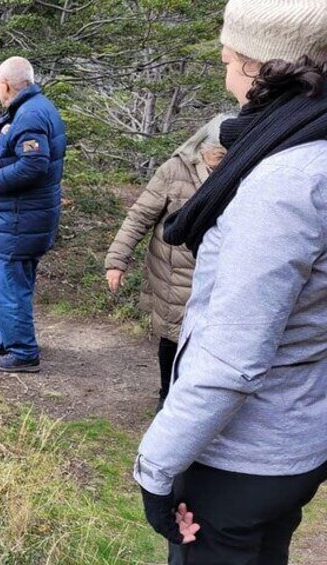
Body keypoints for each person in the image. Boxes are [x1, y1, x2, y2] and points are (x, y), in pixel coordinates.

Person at [134, 1, 327, 563]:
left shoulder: (283, 183)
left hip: (241, 455)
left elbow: (233, 355)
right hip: (298, 436)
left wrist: (157, 467)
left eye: (228, 61)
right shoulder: (310, 147)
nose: (224, 77)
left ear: (260, 68)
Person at [105, 115, 228, 412]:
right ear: (202, 147)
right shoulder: (174, 170)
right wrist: (116, 260)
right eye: (217, 156)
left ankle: (193, 399)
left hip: (215, 271)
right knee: (173, 334)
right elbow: (139, 216)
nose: (221, 162)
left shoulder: (240, 171)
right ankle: (166, 396)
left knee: (208, 339)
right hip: (172, 271)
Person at [0, 56, 67, 373]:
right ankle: (8, 335)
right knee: (10, 283)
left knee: (11, 284)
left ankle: (23, 352)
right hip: (22, 219)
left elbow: (34, 164)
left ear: (5, 84)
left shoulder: (29, 114)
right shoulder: (34, 108)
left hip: (19, 220)